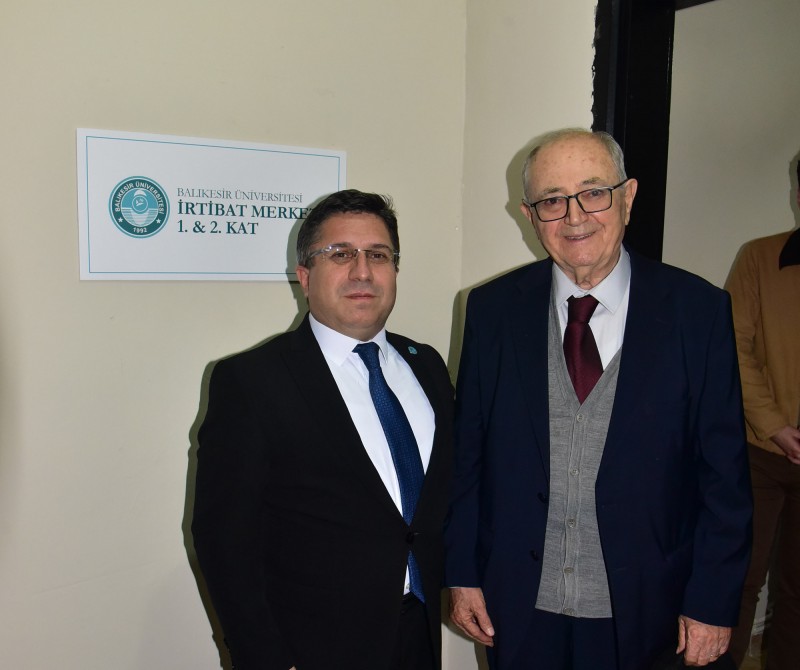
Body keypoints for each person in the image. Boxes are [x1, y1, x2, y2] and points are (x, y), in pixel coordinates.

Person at [444, 128, 752, 670]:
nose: (575, 216)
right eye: (552, 201)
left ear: (628, 196)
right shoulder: (492, 311)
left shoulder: (696, 312)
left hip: (652, 610)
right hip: (520, 606)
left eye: (593, 192)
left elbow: (724, 476)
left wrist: (712, 600)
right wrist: (462, 573)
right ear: (530, 215)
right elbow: (468, 458)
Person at [192, 189, 454, 670]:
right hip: (312, 647)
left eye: (378, 255)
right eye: (340, 254)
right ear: (305, 275)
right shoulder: (251, 381)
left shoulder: (427, 366)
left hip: (419, 631)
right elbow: (223, 538)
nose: (362, 271)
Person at [725, 159, 800, 669]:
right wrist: (775, 426)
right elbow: (732, 346)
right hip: (759, 455)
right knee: (738, 580)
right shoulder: (759, 257)